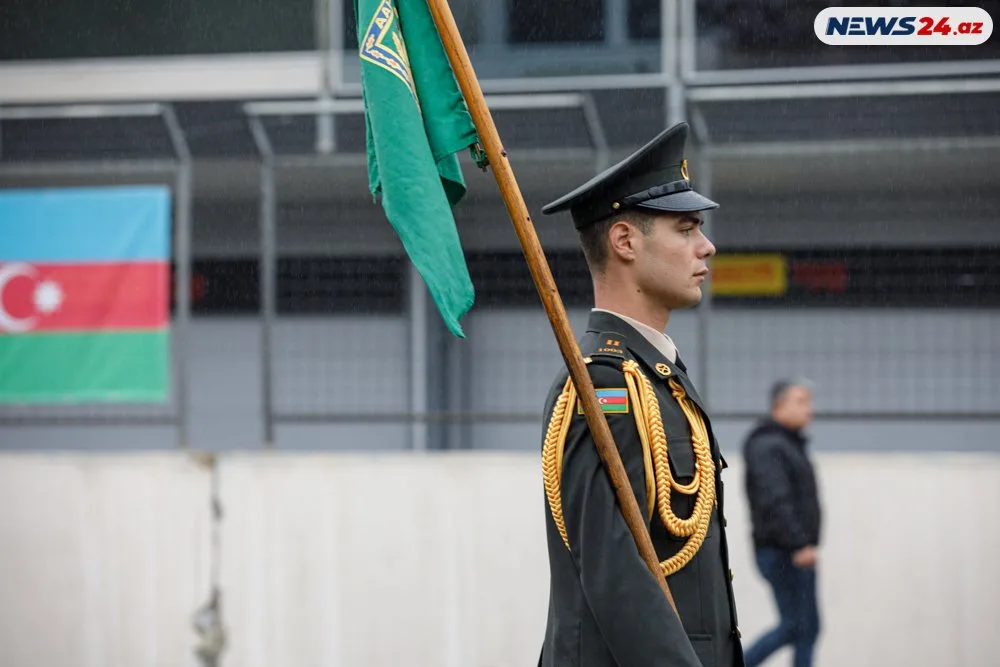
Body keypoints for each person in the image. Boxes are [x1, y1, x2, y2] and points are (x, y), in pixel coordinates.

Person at [537, 122, 744, 667]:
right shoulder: (604, 384)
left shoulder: (654, 374)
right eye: (686, 229)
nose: (706, 246)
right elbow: (614, 573)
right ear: (625, 241)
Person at [741, 379, 821, 667]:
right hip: (783, 551)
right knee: (795, 626)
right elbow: (775, 501)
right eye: (801, 401)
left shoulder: (787, 444)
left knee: (806, 628)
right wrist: (799, 543)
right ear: (779, 405)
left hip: (793, 550)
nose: (809, 409)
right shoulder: (769, 445)